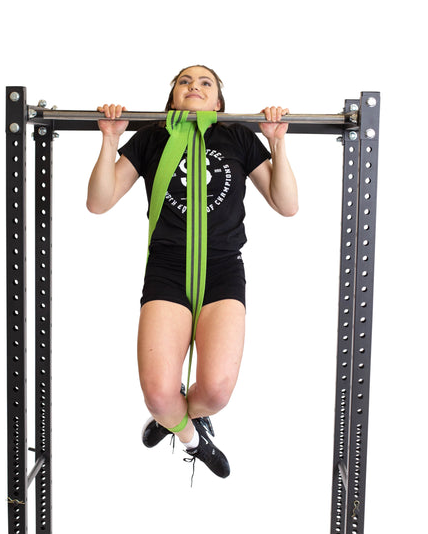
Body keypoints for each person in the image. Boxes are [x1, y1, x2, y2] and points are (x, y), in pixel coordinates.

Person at [87, 65, 298, 480]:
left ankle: (183, 418)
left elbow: (286, 204)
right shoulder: (151, 137)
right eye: (184, 82)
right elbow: (99, 201)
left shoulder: (236, 135)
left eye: (205, 83)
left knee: (217, 391)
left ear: (218, 102)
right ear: (172, 101)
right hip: (167, 268)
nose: (194, 87)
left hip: (222, 269)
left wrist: (278, 145)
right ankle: (190, 436)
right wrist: (110, 138)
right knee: (159, 396)